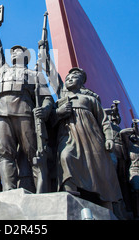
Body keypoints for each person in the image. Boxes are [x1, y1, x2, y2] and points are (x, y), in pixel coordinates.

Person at [0, 18, 54, 192]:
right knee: (5, 155)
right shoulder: (2, 69)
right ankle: (9, 193)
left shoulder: (34, 74)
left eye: (18, 51)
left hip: (24, 113)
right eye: (13, 51)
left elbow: (48, 98)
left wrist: (45, 110)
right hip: (1, 114)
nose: (14, 53)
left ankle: (42, 193)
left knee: (35, 155)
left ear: (26, 56)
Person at [53, 67, 123, 211]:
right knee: (66, 157)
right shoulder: (61, 99)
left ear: (82, 82)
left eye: (74, 77)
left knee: (100, 168)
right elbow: (51, 74)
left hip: (91, 138)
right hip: (69, 136)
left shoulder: (90, 99)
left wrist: (109, 138)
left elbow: (104, 121)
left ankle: (107, 204)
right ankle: (70, 194)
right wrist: (59, 113)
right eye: (68, 77)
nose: (69, 79)